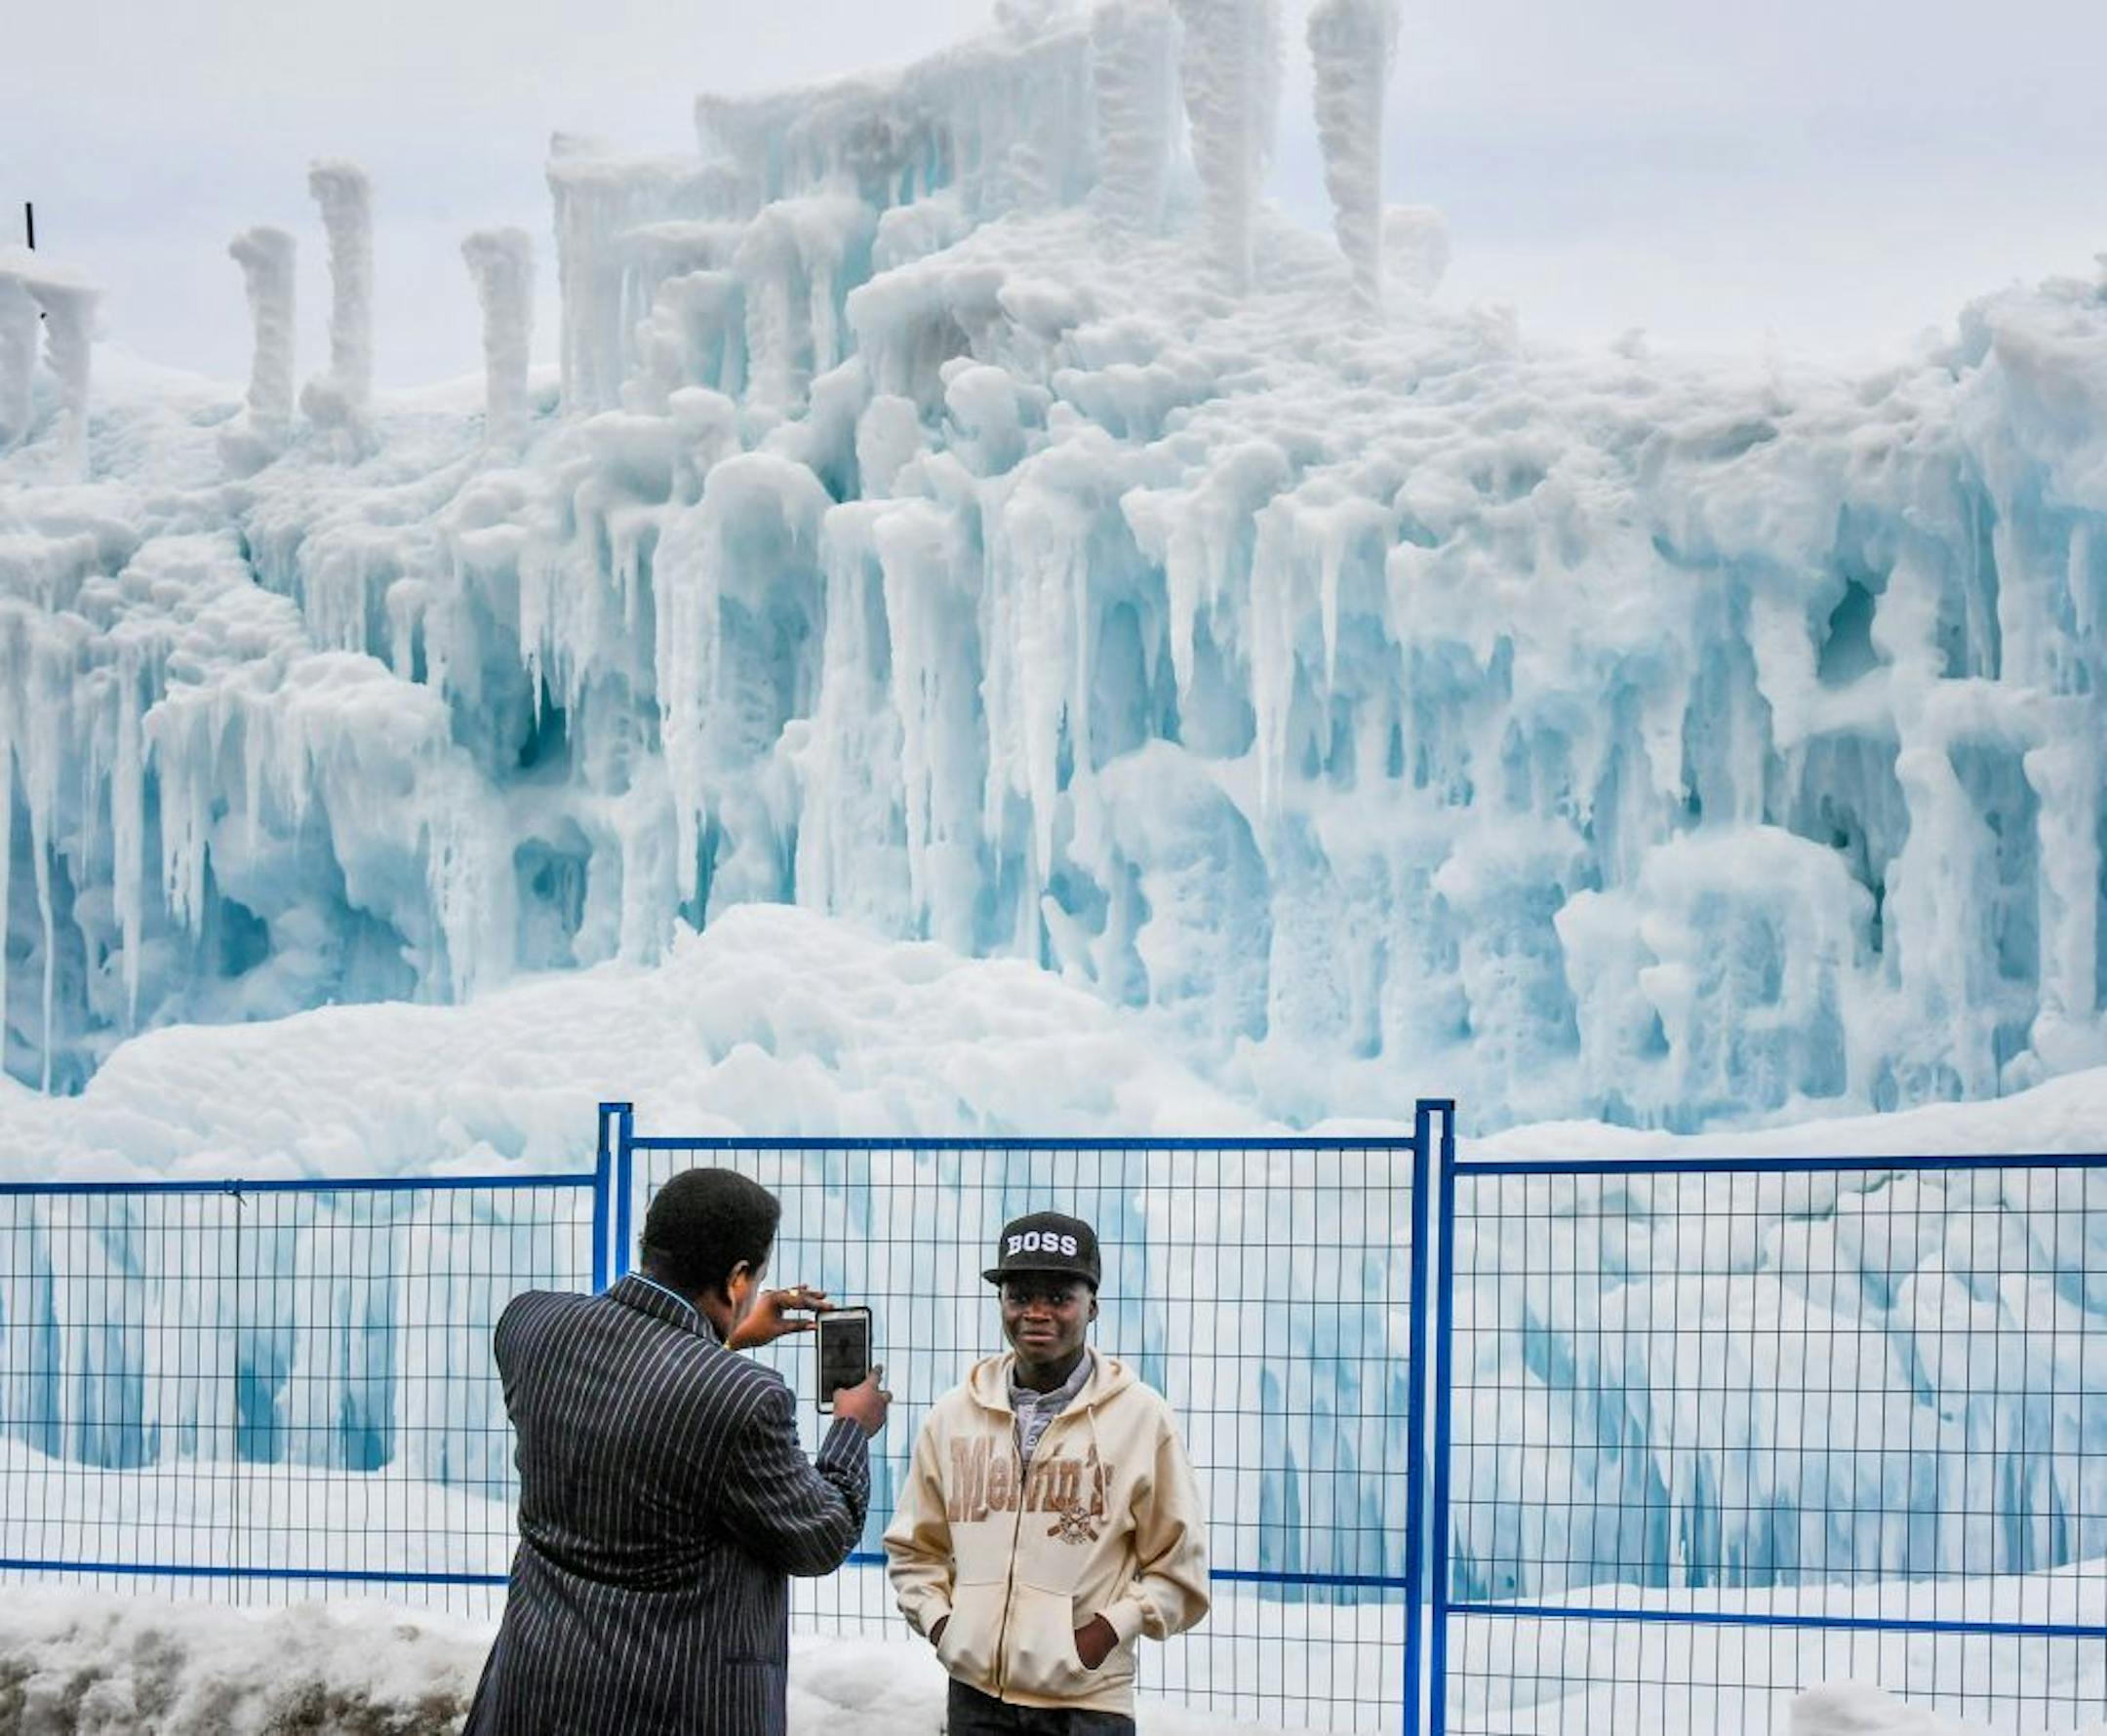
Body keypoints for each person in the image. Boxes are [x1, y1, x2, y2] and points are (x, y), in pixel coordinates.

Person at [463, 1166, 889, 1736]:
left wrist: (725, 1336)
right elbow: (819, 1537)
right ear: (738, 1279)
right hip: (667, 1705)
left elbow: (636, 1391)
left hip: (536, 1690)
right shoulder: (743, 1398)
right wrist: (850, 1428)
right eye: (755, 1280)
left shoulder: (532, 1326)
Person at [884, 1211, 1210, 1733]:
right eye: (1019, 1296)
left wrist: (1103, 1634)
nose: (1037, 1313)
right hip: (974, 1701)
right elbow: (913, 1548)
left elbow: (1180, 1570)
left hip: (1087, 1707)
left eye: (1060, 1298)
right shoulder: (954, 1414)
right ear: (1000, 1303)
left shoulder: (1142, 1418)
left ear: (1093, 1306)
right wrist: (945, 1626)